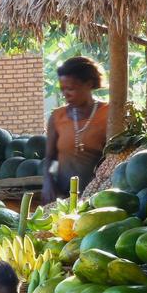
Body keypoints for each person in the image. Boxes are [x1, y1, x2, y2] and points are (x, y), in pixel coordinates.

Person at [42, 56, 109, 203]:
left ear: (89, 84)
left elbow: (112, 158)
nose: (66, 94)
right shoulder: (57, 117)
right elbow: (50, 158)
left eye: (71, 88)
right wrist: (48, 182)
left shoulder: (107, 114)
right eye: (63, 89)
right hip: (61, 197)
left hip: (96, 197)